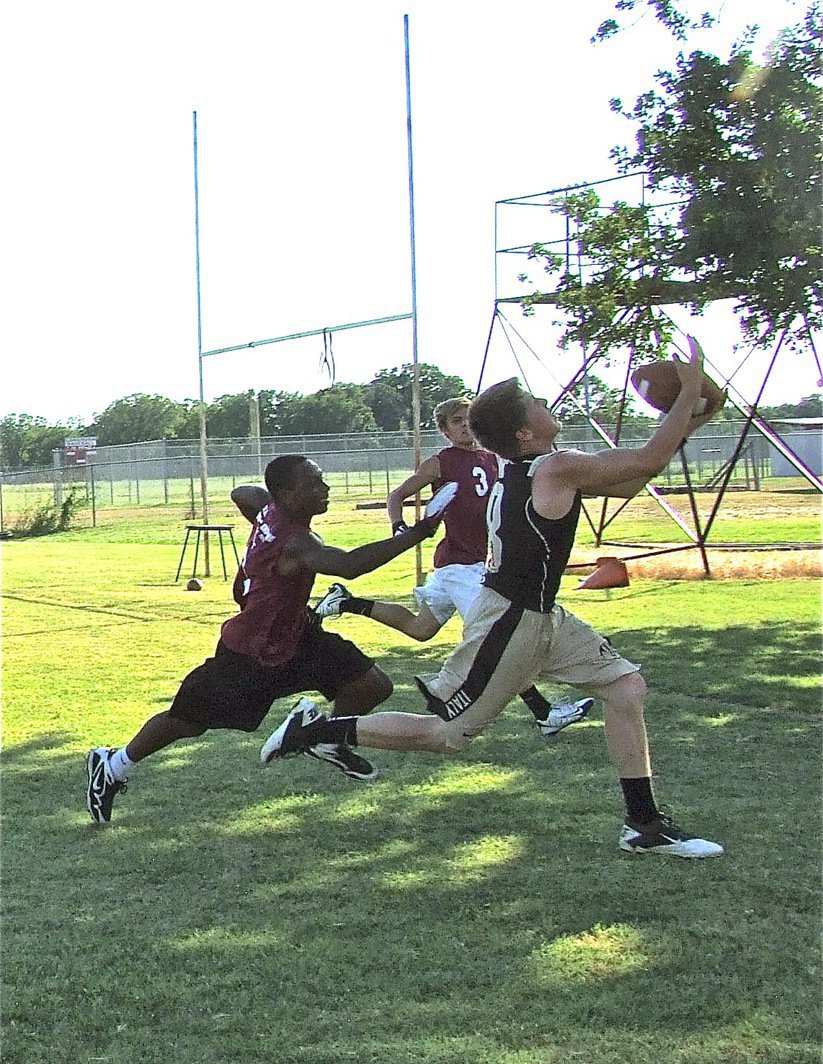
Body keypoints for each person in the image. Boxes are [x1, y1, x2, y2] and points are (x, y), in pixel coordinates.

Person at [260, 338, 725, 858]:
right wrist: (690, 389)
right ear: (525, 432)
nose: (549, 406)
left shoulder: (544, 468)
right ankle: (315, 730)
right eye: (538, 405)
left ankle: (644, 824)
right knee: (447, 734)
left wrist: (694, 414)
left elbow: (633, 479)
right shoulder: (554, 467)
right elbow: (649, 457)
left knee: (625, 688)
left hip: (544, 614)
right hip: (511, 620)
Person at [85, 453, 449, 824]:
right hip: (252, 650)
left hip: (297, 634)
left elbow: (242, 492)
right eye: (315, 483)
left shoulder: (271, 510)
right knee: (188, 720)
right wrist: (417, 533)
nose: (325, 488)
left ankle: (323, 737)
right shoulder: (296, 543)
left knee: (370, 685)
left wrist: (266, 510)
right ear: (289, 494)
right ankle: (113, 765)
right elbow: (350, 566)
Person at [312, 395, 593, 737]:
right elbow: (397, 494)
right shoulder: (441, 462)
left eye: (468, 419)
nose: (464, 426)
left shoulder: (495, 456)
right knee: (499, 635)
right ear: (445, 430)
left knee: (421, 628)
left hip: (474, 562)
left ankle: (345, 601)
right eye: (456, 421)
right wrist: (399, 527)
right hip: (460, 565)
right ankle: (544, 711)